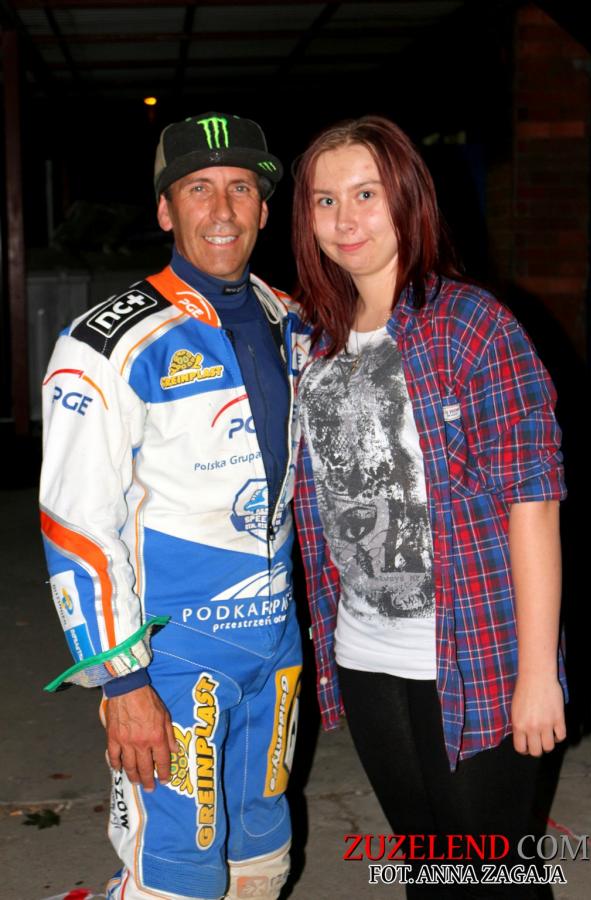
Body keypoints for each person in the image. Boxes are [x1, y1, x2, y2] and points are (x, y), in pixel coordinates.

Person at [291, 116, 567, 897]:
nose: (345, 218)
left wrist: (537, 675)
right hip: (365, 653)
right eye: (325, 200)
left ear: (408, 197)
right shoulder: (316, 341)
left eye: (366, 194)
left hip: (475, 653)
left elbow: (534, 503)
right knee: (428, 868)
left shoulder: (473, 327)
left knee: (492, 877)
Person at [40, 112, 304, 900]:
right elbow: (76, 528)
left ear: (264, 209)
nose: (222, 210)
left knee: (262, 863)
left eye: (240, 189)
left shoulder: (295, 321)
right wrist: (122, 684)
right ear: (165, 209)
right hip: (173, 661)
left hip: (275, 649)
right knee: (174, 880)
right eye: (198, 189)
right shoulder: (106, 345)